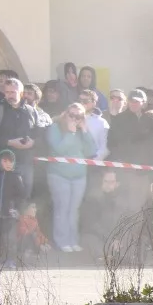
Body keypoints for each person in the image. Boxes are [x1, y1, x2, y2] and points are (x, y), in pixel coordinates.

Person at [44, 103, 95, 253]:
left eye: (78, 116)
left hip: (79, 176)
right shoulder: (55, 128)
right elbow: (59, 149)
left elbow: (91, 151)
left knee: (74, 209)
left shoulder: (81, 130)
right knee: (62, 207)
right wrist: (70, 134)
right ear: (65, 113)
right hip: (59, 174)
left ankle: (73, 240)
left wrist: (84, 131)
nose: (74, 118)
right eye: (71, 115)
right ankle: (62, 241)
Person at [0, 76, 38, 194]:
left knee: (24, 201)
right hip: (3, 164)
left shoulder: (31, 111)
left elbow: (38, 133)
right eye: (7, 92)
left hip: (25, 162)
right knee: (5, 203)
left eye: (13, 92)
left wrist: (33, 142)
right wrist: (9, 142)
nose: (9, 95)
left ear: (21, 93)